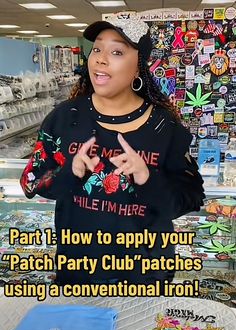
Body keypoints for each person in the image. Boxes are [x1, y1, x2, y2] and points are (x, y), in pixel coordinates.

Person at [20, 15, 205, 286]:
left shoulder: (165, 127)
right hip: (79, 272)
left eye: (116, 51)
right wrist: (70, 172)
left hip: (146, 275)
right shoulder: (65, 117)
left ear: (138, 67)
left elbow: (191, 197)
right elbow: (30, 182)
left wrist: (146, 179)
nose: (100, 59)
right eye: (96, 49)